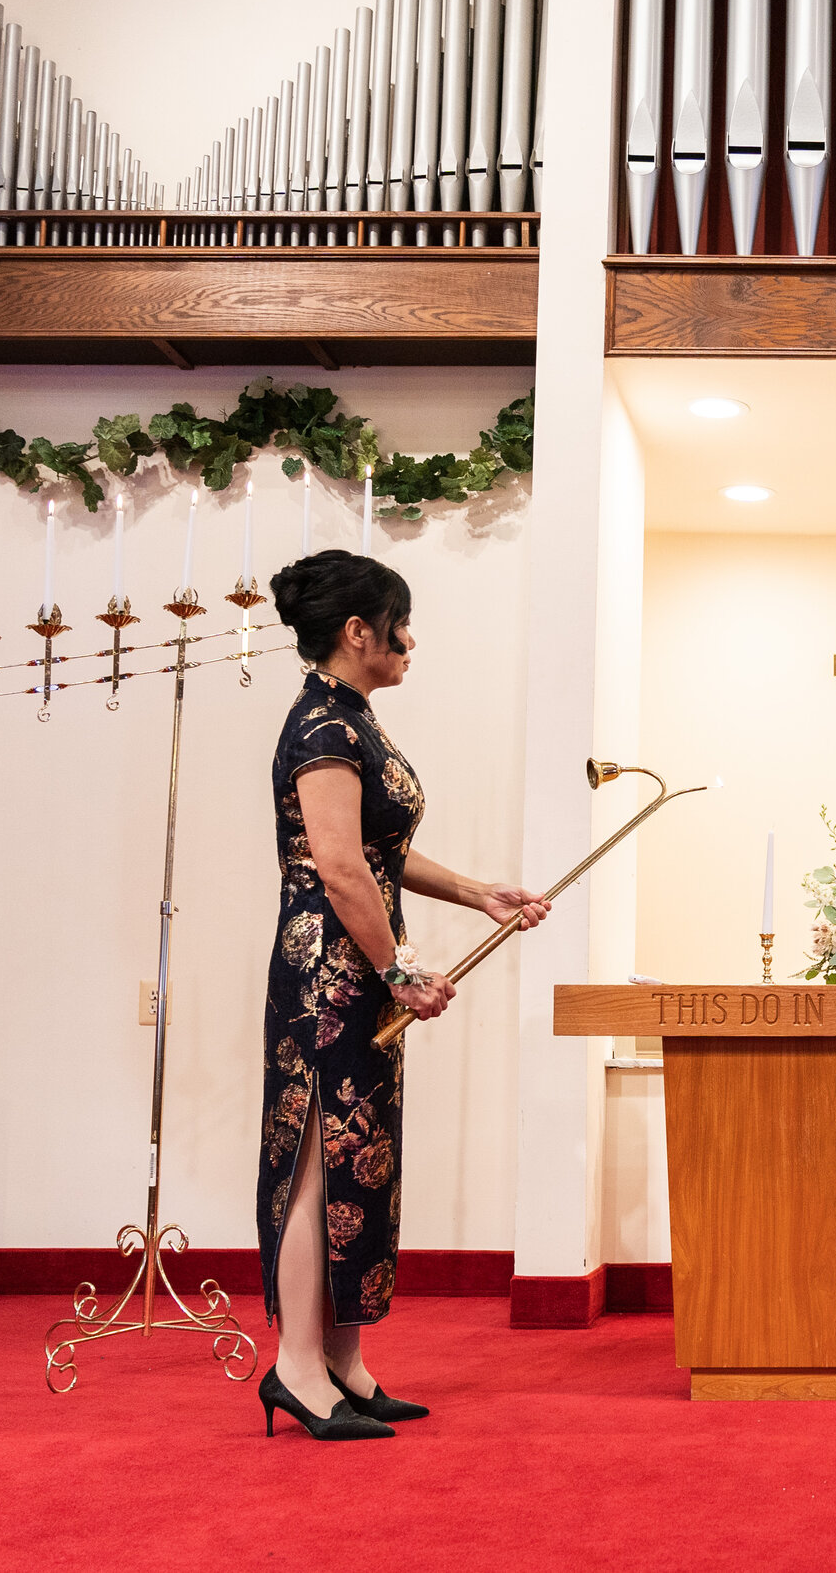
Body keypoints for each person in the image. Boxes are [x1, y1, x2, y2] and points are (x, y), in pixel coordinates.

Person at [254, 549, 551, 1441]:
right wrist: (400, 971)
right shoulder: (320, 727)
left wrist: (478, 892)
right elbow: (340, 868)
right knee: (315, 1159)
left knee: (360, 1161)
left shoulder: (354, 720)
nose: (410, 641)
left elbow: (379, 855)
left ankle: (343, 1362)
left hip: (358, 970)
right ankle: (297, 1368)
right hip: (327, 977)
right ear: (358, 632)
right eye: (400, 625)